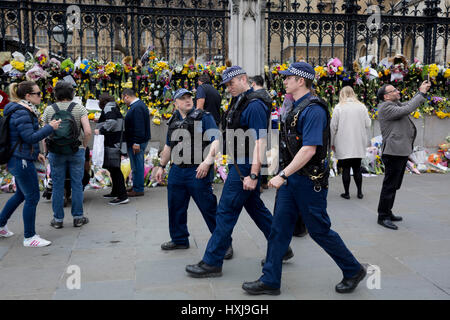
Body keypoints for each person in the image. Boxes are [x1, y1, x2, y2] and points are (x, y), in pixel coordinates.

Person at [242, 62, 366, 296]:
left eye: (288, 77)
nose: (285, 80)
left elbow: (309, 149)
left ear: (301, 81)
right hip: (291, 180)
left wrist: (281, 174)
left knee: (319, 230)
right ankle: (270, 280)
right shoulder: (294, 105)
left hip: (309, 182)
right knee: (279, 229)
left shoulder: (314, 109)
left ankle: (353, 269)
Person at [185, 66, 293, 278]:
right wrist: (211, 158)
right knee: (256, 209)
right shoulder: (240, 101)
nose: (228, 88)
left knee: (225, 212)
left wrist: (253, 175)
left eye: (231, 83)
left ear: (243, 79)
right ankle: (283, 248)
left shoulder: (253, 105)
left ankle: (212, 261)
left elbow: (260, 142)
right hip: (241, 163)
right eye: (226, 85)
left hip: (245, 166)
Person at [155, 88, 233, 258]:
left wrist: (207, 162)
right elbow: (169, 146)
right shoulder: (173, 120)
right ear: (175, 103)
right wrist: (161, 166)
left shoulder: (204, 117)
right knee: (175, 207)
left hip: (198, 170)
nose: (187, 100)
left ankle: (224, 242)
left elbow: (216, 141)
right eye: (182, 98)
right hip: (177, 170)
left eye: (189, 97)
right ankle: (179, 239)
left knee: (209, 208)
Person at [0, 81, 60, 247]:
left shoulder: (23, 110)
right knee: (32, 196)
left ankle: (0, 224)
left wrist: (37, 153)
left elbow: (24, 138)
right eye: (38, 93)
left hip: (21, 157)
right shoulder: (22, 113)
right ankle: (29, 237)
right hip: (21, 160)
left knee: (21, 194)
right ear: (28, 96)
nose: (41, 96)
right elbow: (30, 137)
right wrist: (50, 127)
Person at [376, 80, 431, 230]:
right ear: (386, 96)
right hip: (393, 152)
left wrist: (421, 93)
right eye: (393, 90)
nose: (397, 91)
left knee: (394, 185)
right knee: (389, 185)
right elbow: (408, 108)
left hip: (399, 151)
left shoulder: (395, 104)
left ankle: (388, 211)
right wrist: (421, 93)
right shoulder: (386, 107)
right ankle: (383, 216)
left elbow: (408, 104)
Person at [43, 80, 92, 229]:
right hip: (75, 150)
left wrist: (46, 152)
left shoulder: (49, 110)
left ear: (56, 94)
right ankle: (78, 217)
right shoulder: (79, 108)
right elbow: (88, 131)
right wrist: (83, 145)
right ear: (72, 93)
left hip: (56, 152)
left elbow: (45, 133)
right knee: (77, 184)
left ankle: (58, 220)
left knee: (57, 185)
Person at [330, 86, 371, 200]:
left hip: (343, 142)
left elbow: (333, 127)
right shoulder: (361, 107)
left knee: (346, 168)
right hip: (358, 142)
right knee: (357, 168)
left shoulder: (339, 107)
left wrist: (332, 142)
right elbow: (368, 124)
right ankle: (359, 192)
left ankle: (347, 193)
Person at [95, 93, 129, 205]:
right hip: (116, 142)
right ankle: (116, 191)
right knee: (113, 168)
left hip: (113, 143)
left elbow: (112, 122)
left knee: (115, 169)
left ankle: (122, 196)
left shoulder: (108, 107)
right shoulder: (113, 106)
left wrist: (101, 130)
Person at [122, 88, 151, 197]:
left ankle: (138, 189)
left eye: (123, 98)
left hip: (137, 141)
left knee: (137, 165)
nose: (124, 101)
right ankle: (136, 186)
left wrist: (137, 142)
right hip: (136, 140)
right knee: (135, 165)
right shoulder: (138, 105)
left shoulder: (137, 107)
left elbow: (139, 126)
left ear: (126, 96)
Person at [249, 75, 272, 192]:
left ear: (253, 83)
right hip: (265, 125)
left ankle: (258, 181)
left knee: (258, 154)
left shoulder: (256, 96)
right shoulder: (267, 95)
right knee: (263, 154)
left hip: (258, 126)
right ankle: (264, 181)